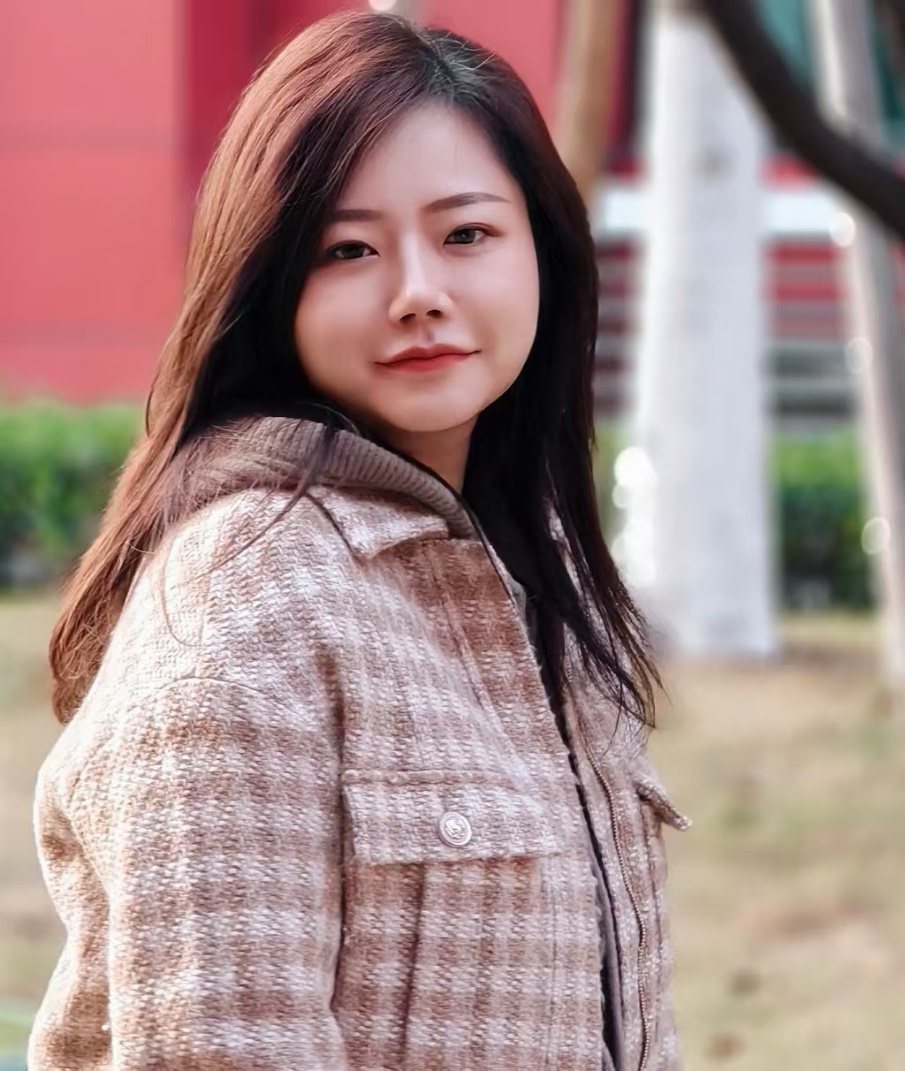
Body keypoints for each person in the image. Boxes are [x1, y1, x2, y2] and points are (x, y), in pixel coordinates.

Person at [29, 10, 690, 1070]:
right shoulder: (243, 611)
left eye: (466, 235)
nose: (418, 293)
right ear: (269, 287)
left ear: (544, 253)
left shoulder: (532, 568)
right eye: (348, 250)